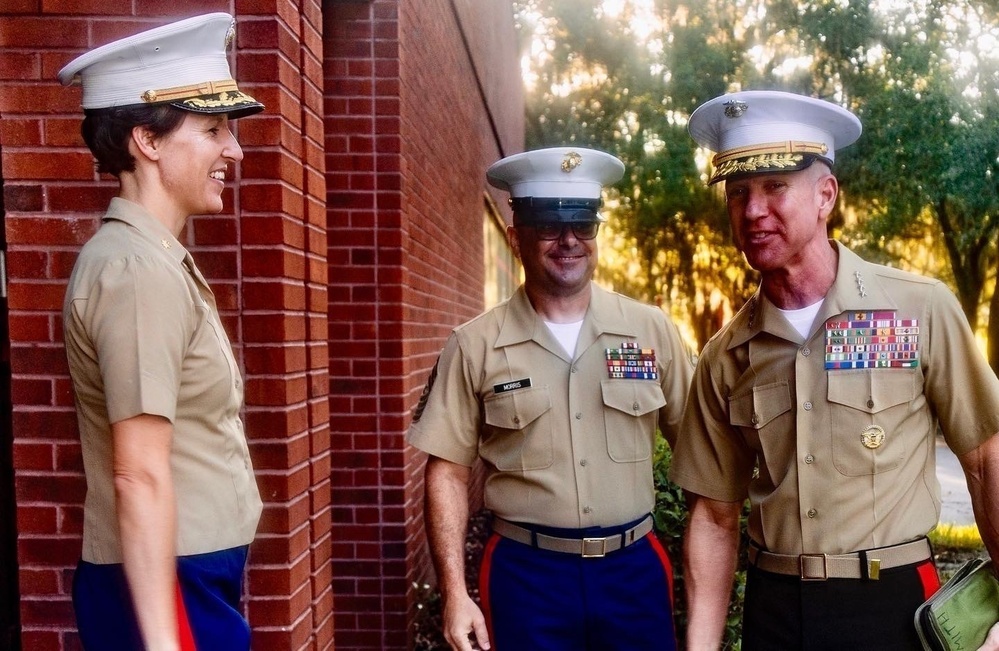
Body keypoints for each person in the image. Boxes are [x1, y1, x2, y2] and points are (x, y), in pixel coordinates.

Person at [669, 89, 999, 650]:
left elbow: (987, 458)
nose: (753, 211)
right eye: (739, 192)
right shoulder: (725, 355)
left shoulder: (918, 309)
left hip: (895, 606)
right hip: (774, 611)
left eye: (775, 187)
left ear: (825, 196)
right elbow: (715, 518)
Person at [407, 146, 694, 651]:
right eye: (549, 226)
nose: (569, 242)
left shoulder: (649, 330)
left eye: (583, 226)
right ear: (516, 237)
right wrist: (455, 592)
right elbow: (447, 472)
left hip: (633, 569)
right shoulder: (475, 344)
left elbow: (702, 450)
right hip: (526, 576)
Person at [58, 13, 264, 651]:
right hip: (169, 585)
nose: (233, 149)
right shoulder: (136, 270)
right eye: (212, 129)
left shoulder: (151, 259)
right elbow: (139, 474)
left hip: (187, 575)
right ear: (147, 140)